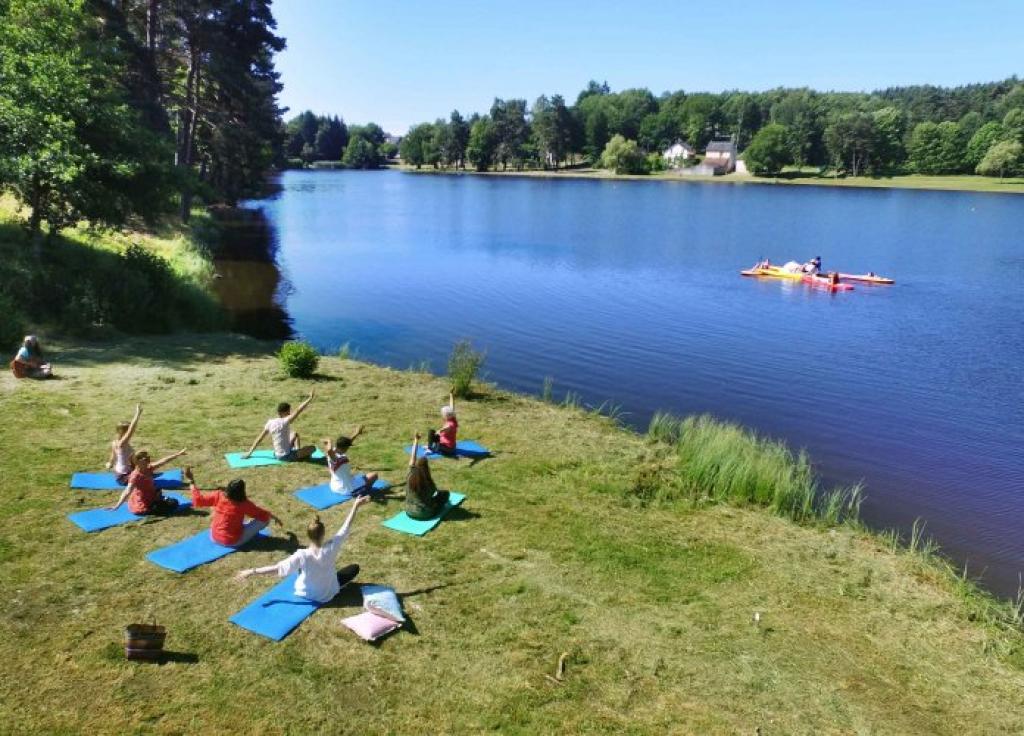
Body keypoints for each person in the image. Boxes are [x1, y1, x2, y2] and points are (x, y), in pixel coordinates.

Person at [235, 496, 370, 602]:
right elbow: (345, 527)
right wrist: (355, 505)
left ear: (308, 535)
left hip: (306, 593)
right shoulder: (332, 546)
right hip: (328, 592)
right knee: (354, 568)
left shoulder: (301, 555)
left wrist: (252, 571)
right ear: (323, 534)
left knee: (299, 568)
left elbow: (277, 569)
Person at [184, 467, 282, 547]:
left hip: (214, 536)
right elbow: (262, 514)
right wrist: (275, 517)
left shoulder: (219, 495)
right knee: (265, 519)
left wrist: (191, 481)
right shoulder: (244, 504)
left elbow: (198, 500)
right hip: (231, 541)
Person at [107, 448, 188, 515]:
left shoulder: (148, 468)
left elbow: (164, 461)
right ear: (138, 461)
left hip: (151, 495)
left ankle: (158, 502)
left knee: (172, 501)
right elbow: (127, 491)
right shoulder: (135, 476)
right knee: (174, 504)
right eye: (145, 459)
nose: (148, 460)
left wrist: (178, 454)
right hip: (144, 503)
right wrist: (117, 506)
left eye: (148, 457)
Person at [243, 390, 316, 461]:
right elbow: (298, 410)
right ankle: (298, 456)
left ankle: (297, 452)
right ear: (285, 412)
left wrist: (250, 452)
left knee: (295, 434)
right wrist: (310, 398)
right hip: (286, 456)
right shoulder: (285, 421)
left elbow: (259, 438)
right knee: (313, 448)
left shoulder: (270, 422)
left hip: (276, 454)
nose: (290, 413)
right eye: (288, 411)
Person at [323, 426, 379, 496]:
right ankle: (365, 492)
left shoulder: (335, 451)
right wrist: (329, 441)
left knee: (359, 477)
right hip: (345, 489)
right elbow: (329, 450)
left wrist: (356, 433)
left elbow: (347, 442)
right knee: (374, 475)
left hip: (334, 486)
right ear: (345, 448)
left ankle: (360, 488)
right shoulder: (335, 458)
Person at [406, 433, 450, 520]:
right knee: (445, 494)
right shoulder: (428, 483)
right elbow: (434, 493)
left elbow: (412, 457)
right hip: (425, 514)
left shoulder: (410, 475)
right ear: (427, 469)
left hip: (409, 511)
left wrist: (416, 440)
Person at [106, 404, 142, 484]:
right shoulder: (122, 444)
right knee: (144, 477)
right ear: (124, 433)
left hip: (119, 473)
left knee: (143, 464)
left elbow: (113, 456)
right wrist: (138, 413)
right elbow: (132, 429)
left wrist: (110, 463)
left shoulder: (115, 442)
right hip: (123, 477)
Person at [427, 392, 458, 457]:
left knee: (435, 438)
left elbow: (448, 427)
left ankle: (431, 449)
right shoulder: (452, 417)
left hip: (449, 449)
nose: (442, 415)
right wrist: (451, 395)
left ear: (447, 415)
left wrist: (439, 431)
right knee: (431, 431)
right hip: (446, 443)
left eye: (443, 414)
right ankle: (430, 447)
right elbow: (452, 406)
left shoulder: (451, 424)